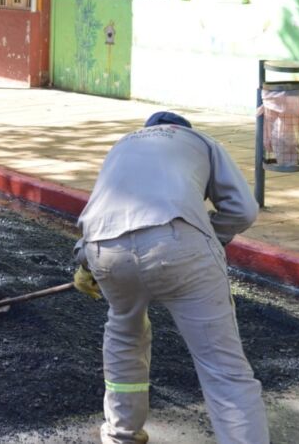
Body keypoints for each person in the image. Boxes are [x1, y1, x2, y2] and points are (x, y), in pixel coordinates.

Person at [72, 111, 269, 444]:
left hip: (104, 248)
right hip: (179, 243)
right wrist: (208, 236)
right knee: (224, 370)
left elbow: (99, 209)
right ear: (180, 129)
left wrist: (85, 264)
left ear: (148, 129)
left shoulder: (122, 144)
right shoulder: (201, 141)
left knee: (124, 333)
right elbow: (243, 209)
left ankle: (122, 434)